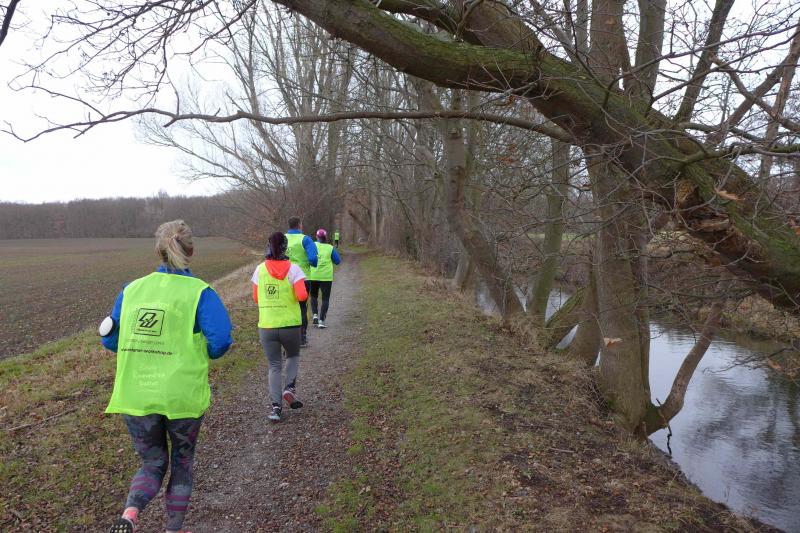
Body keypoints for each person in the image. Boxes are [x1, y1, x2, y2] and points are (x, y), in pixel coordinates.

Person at [103, 220, 233, 533]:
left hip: (136, 393)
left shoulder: (132, 290)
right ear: (191, 251)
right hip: (181, 396)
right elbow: (220, 342)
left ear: (158, 251)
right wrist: (196, 349)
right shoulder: (200, 292)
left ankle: (130, 513)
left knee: (152, 462)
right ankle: (173, 528)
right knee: (182, 461)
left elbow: (110, 341)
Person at [252, 231, 308, 423]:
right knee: (292, 356)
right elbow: (302, 296)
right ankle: (289, 388)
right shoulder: (294, 269)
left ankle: (276, 407)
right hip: (290, 324)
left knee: (274, 365)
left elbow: (256, 298)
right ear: (285, 248)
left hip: (267, 325)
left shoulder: (259, 270)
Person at [282, 216, 317, 347]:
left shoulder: (282, 238)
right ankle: (301, 338)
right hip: (303, 278)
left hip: (284, 278)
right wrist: (313, 263)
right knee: (302, 307)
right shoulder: (305, 239)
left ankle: (287, 339)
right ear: (300, 225)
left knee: (287, 307)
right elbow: (313, 259)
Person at [308, 229, 341, 329]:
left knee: (313, 296)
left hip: (313, 275)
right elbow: (337, 261)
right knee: (325, 299)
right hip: (326, 277)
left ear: (316, 237)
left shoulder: (313, 245)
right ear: (326, 237)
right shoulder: (330, 248)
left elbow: (308, 257)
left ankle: (315, 315)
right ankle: (321, 321)